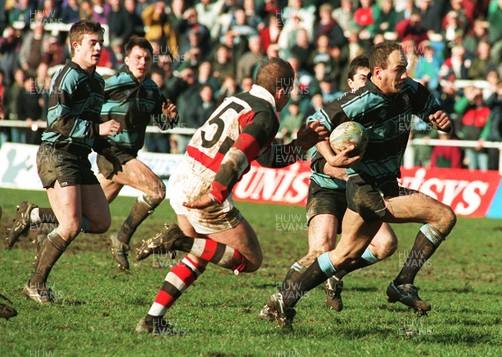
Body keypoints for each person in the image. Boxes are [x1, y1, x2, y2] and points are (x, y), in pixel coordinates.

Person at [262, 41, 456, 329]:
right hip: (365, 189)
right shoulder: (358, 102)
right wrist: (331, 157)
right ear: (378, 72)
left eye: (405, 68)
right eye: (398, 69)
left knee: (343, 255)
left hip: (386, 185)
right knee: (442, 215)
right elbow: (314, 125)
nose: (404, 74)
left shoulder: (410, 91)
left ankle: (284, 300)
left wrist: (439, 119)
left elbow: (431, 109)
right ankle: (402, 283)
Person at [132, 57, 327, 335]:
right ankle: (179, 240)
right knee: (250, 259)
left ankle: (152, 320)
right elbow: (236, 156)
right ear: (282, 90)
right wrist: (216, 194)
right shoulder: (267, 116)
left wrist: (300, 145)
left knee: (201, 255)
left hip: (183, 175)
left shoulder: (241, 99)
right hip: (207, 187)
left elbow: (267, 157)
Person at [6, 36, 178, 273]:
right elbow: (85, 104)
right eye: (137, 57)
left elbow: (162, 122)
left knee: (87, 218)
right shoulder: (113, 83)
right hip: (112, 153)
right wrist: (94, 130)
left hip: (126, 154)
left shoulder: (151, 89)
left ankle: (33, 215)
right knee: (157, 190)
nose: (142, 62)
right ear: (126, 59)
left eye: (147, 59)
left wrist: (169, 118)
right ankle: (122, 238)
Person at [258, 55, 399, 316]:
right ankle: (280, 300)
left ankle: (335, 274)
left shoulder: (379, 114)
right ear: (350, 83)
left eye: (372, 78)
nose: (368, 83)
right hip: (326, 189)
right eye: (362, 78)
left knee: (386, 244)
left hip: (358, 190)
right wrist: (348, 173)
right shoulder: (334, 113)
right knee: (320, 249)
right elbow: (317, 163)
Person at [20, 20, 122, 303]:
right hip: (57, 153)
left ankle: (36, 216)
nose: (99, 48)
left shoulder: (98, 81)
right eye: (93, 43)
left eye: (100, 42)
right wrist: (98, 130)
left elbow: (89, 125)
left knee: (100, 221)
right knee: (70, 225)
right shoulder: (68, 76)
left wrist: (107, 151)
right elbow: (57, 120)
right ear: (76, 46)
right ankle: (35, 284)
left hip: (78, 157)